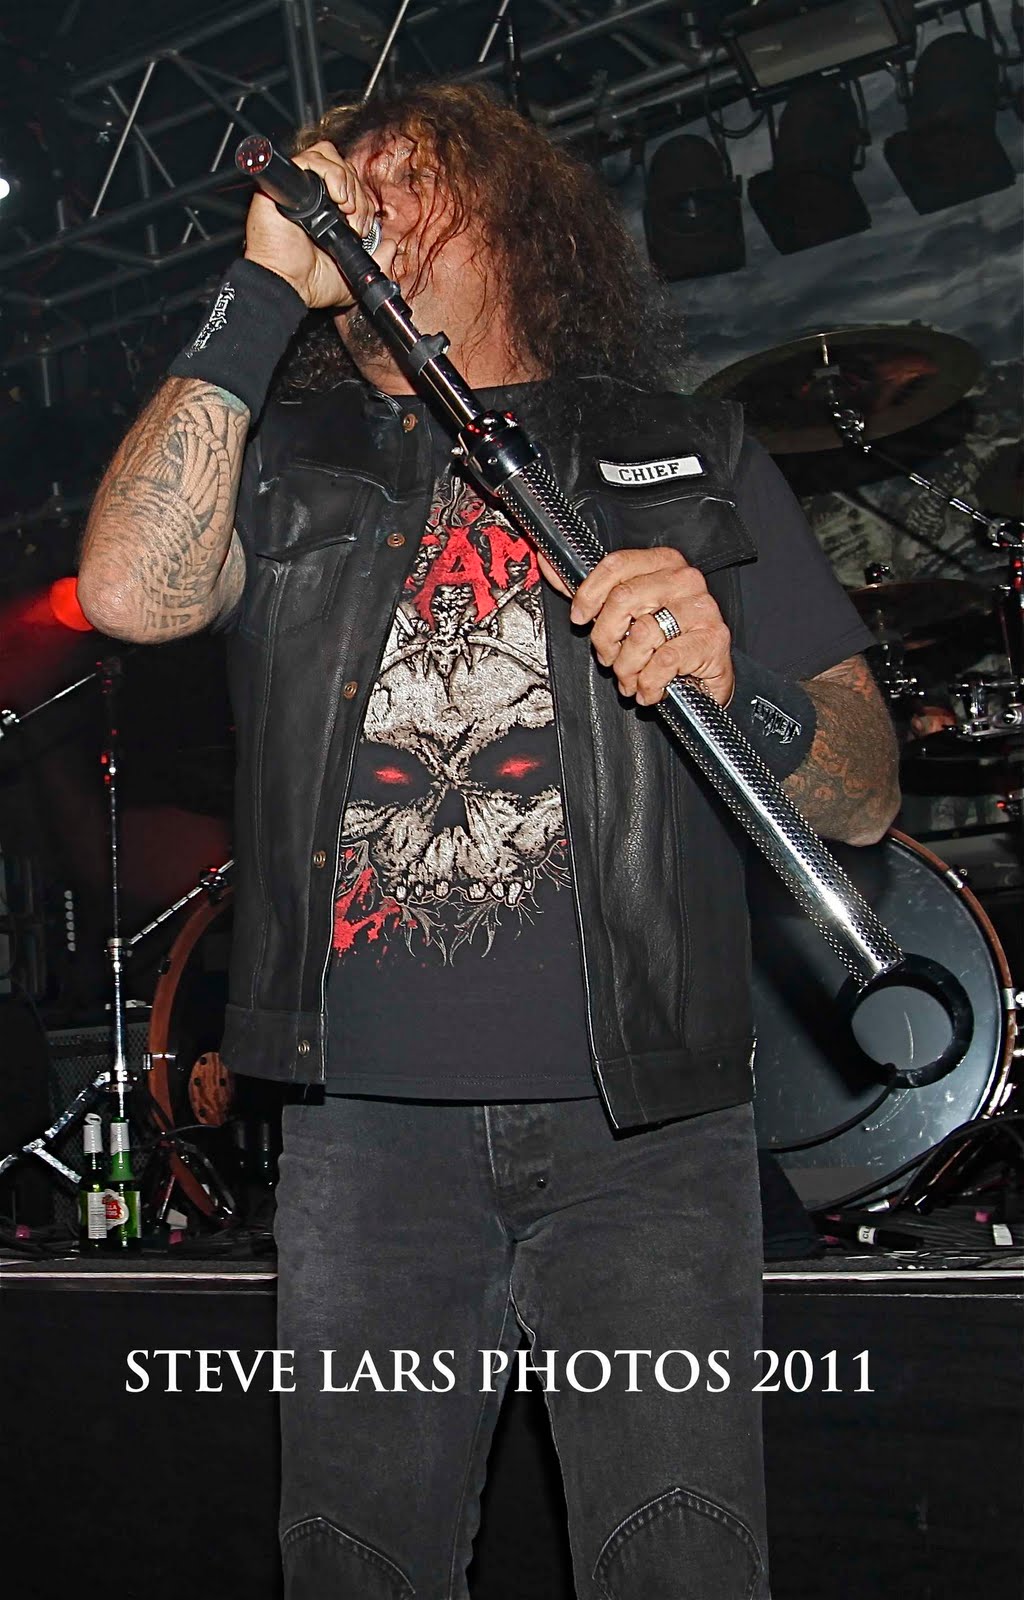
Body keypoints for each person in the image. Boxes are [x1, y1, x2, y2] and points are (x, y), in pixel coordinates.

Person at [78, 82, 898, 1600]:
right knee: (358, 1567)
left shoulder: (690, 448)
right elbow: (132, 592)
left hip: (645, 1137)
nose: (360, 201)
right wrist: (261, 286)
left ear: (511, 211)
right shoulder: (286, 451)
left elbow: (865, 793)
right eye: (342, 180)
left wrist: (744, 691)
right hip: (364, 1138)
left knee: (680, 1567)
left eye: (400, 175)